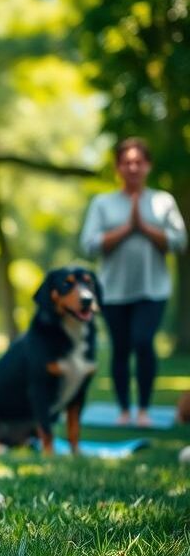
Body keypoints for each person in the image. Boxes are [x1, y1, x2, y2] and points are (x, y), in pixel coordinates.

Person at [80, 137, 187, 426]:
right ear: (118, 167)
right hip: (113, 291)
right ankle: (124, 410)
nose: (133, 167)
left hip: (153, 289)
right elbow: (89, 244)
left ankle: (143, 410)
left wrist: (146, 229)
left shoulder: (163, 201)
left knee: (143, 342)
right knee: (121, 347)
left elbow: (179, 241)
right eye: (126, 162)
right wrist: (127, 229)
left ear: (148, 165)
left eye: (138, 162)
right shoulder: (102, 204)